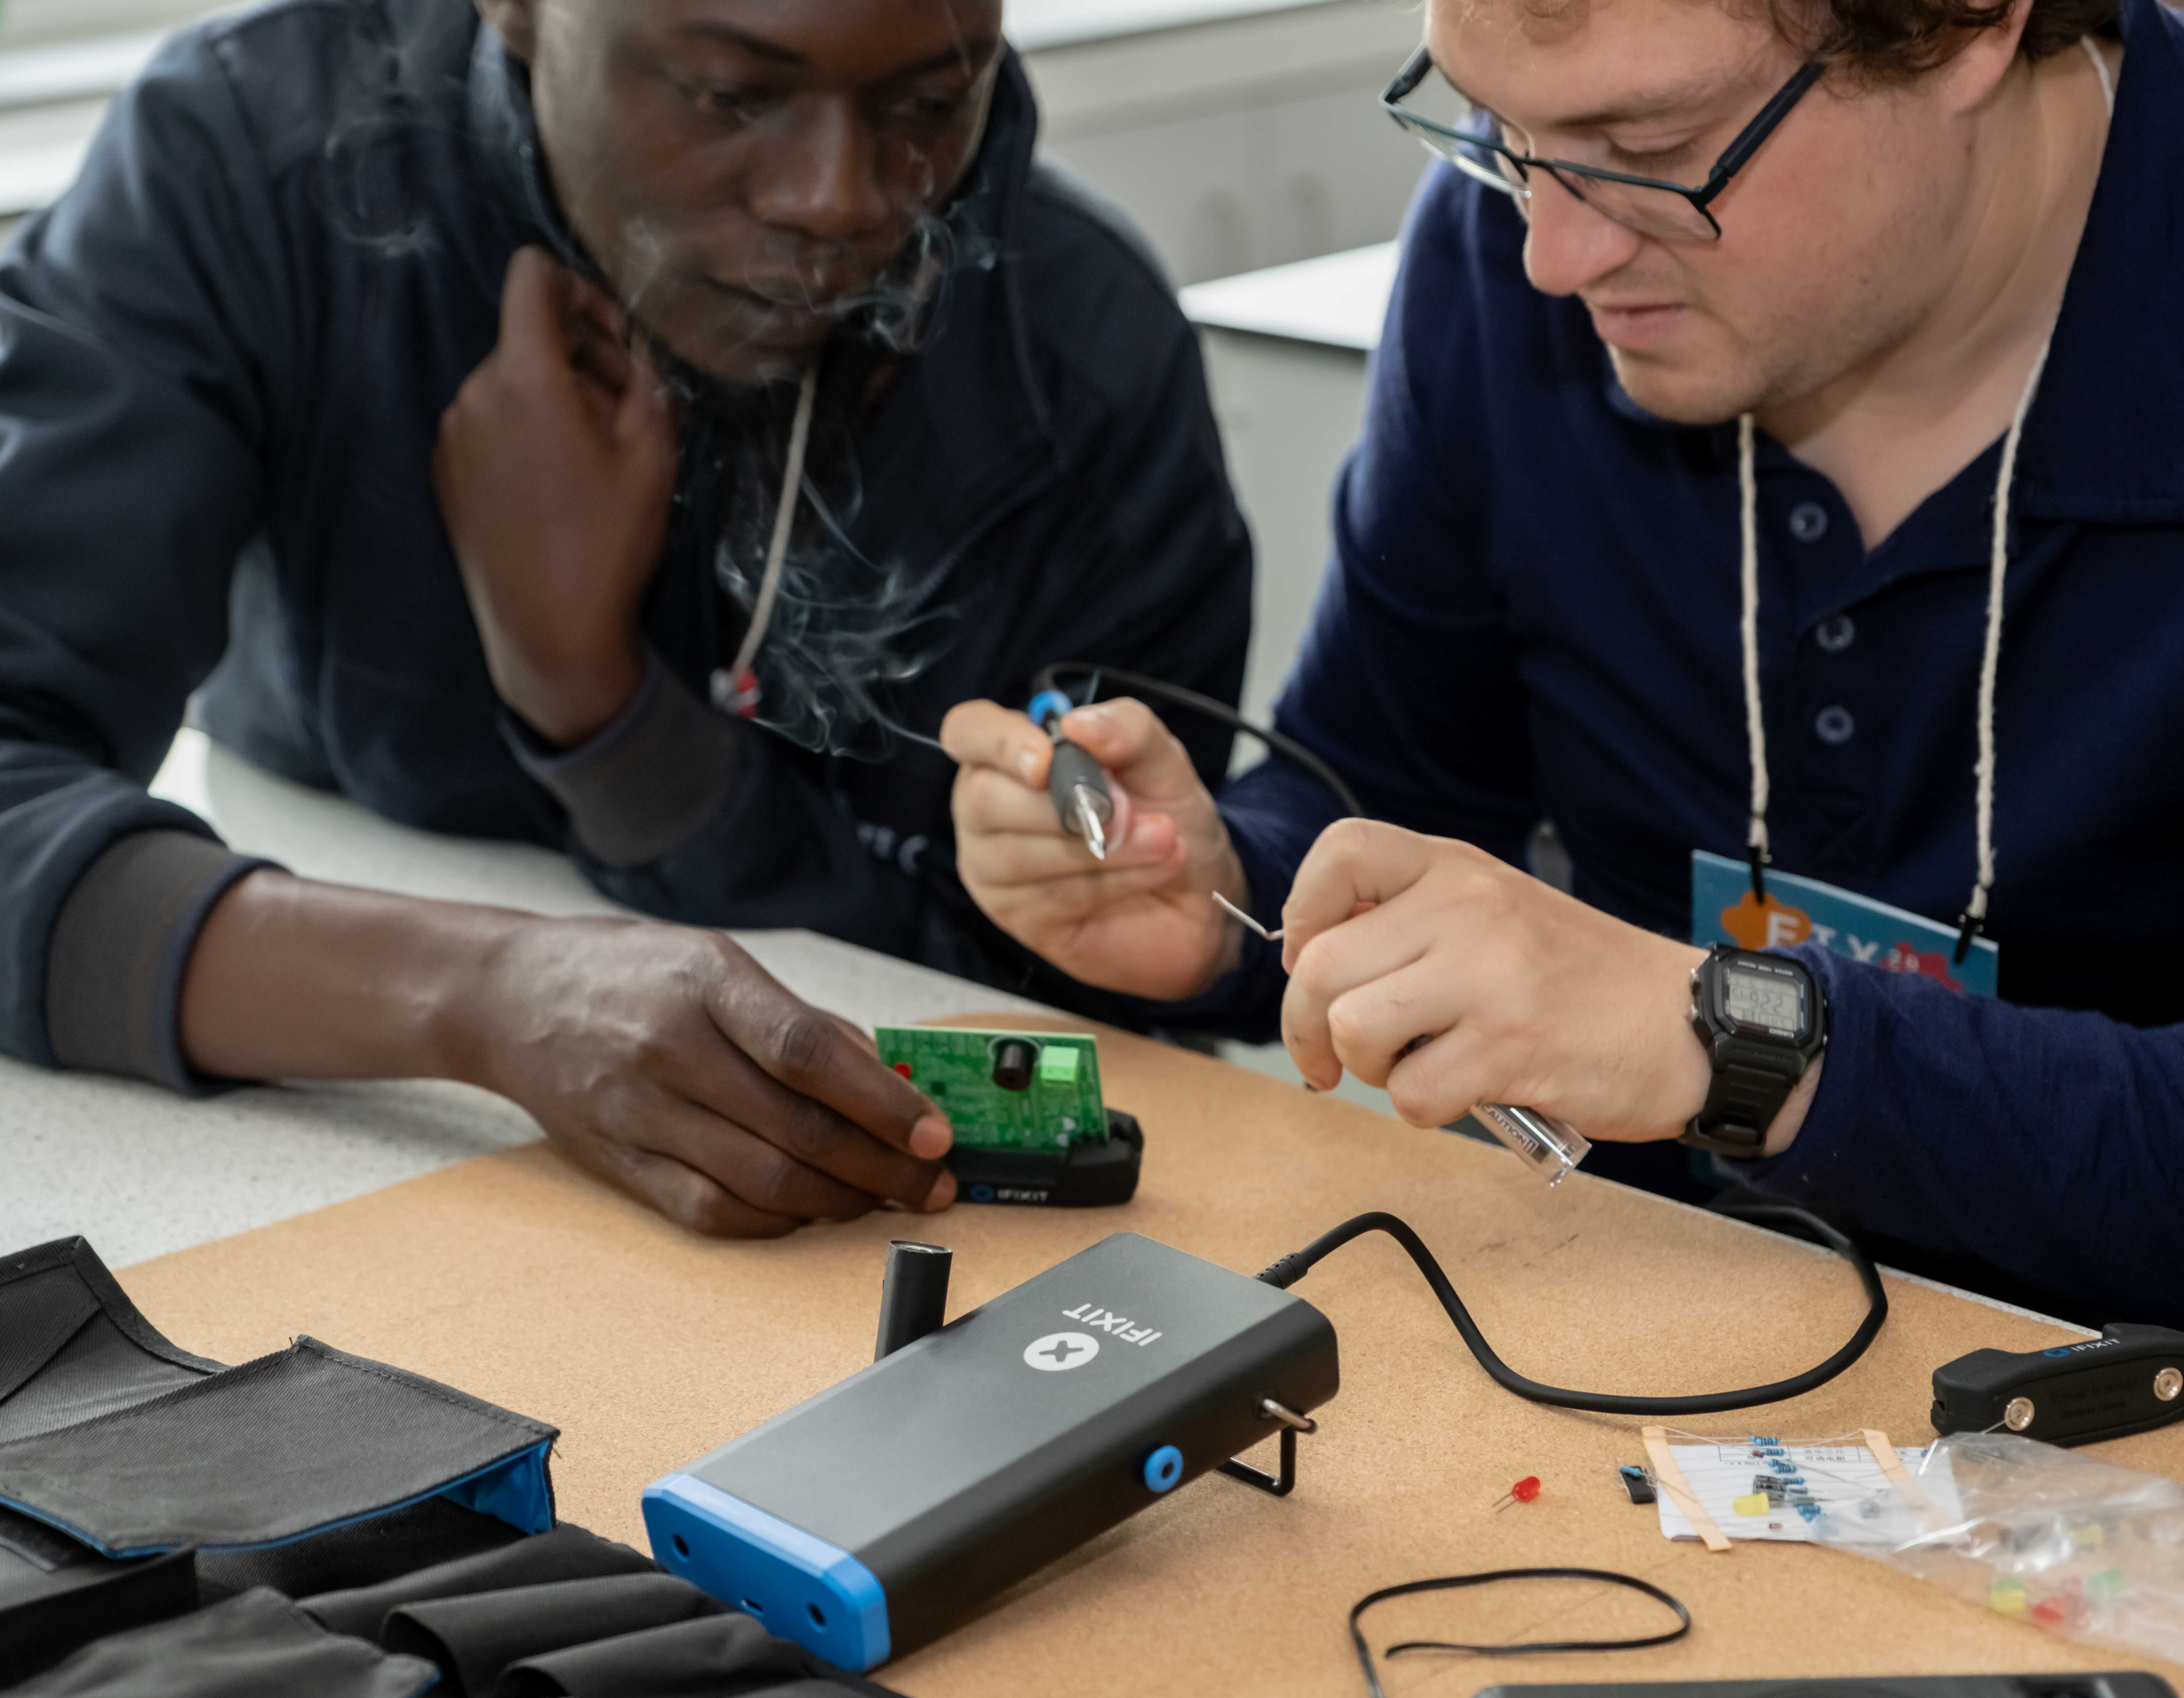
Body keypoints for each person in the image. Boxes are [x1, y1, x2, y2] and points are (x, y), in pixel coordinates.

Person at [945, 0, 2184, 1322]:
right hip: (1641, 1329)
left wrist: (1745, 1039)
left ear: (1961, 28)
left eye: (1643, 145)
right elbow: (1391, 786)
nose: (1549, 251)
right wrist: (1226, 897)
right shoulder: (1500, 254)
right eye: (1497, 127)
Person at [0, 0, 1251, 1237]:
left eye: (928, 103)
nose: (838, 200)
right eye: (728, 93)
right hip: (291, 1183)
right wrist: (483, 994)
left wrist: (602, 710)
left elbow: (1094, 1021)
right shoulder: (242, 163)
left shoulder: (1090, 357)